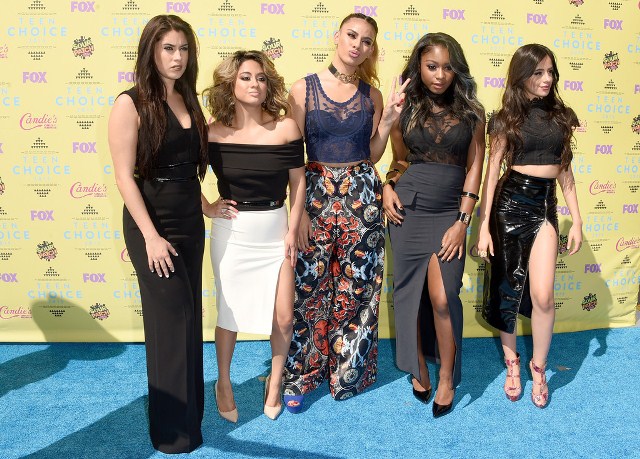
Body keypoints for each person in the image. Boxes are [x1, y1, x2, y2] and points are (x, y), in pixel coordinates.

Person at [282, 12, 408, 412]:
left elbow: (371, 153)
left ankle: (348, 373)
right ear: (337, 36)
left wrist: (388, 121)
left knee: (358, 288)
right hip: (315, 197)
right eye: (352, 35)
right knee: (307, 289)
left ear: (371, 49)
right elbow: (291, 155)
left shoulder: (373, 96)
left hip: (362, 197)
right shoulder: (302, 89)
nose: (357, 44)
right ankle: (301, 375)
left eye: (366, 41)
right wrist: (298, 212)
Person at [108, 15, 208, 453]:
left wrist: (207, 205)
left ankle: (190, 422)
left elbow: (185, 167)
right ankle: (170, 433)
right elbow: (125, 177)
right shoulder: (129, 103)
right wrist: (150, 236)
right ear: (150, 51)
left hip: (190, 222)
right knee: (172, 322)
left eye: (183, 48)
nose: (177, 57)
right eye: (168, 48)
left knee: (190, 321)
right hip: (152, 224)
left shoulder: (188, 97)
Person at [383, 33, 485, 417]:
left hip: (448, 211)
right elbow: (399, 159)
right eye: (431, 66)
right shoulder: (405, 108)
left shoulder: (473, 112)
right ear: (419, 67)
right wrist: (387, 184)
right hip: (407, 210)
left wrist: (462, 222)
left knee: (443, 298)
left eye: (447, 67)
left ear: (457, 70)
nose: (439, 75)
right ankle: (419, 368)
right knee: (408, 296)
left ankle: (446, 377)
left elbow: (474, 168)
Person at [476, 43, 582, 408]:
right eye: (538, 72)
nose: (547, 78)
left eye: (550, 72)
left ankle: (539, 368)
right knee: (507, 290)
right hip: (509, 205)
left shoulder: (562, 116)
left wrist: (578, 220)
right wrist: (483, 225)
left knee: (543, 296)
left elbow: (565, 172)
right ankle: (512, 364)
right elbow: (491, 174)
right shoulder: (505, 119)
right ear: (521, 76)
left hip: (544, 205)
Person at [201, 50, 305, 422]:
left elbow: (298, 183)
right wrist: (207, 207)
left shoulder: (286, 128)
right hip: (232, 233)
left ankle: (275, 382)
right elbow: (182, 176)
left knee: (284, 318)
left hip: (276, 231)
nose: (254, 84)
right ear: (230, 83)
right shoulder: (212, 132)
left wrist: (293, 229)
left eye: (260, 78)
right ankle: (223, 382)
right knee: (228, 314)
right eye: (245, 77)